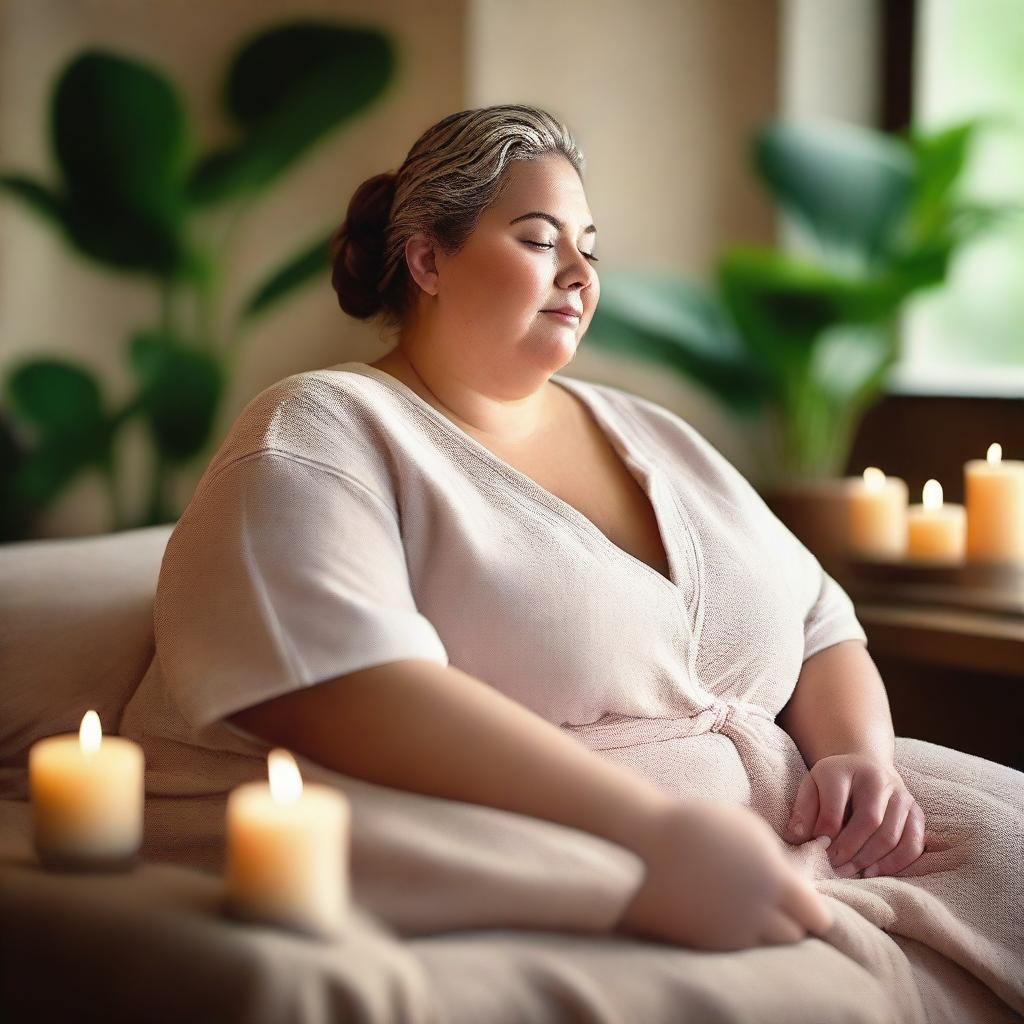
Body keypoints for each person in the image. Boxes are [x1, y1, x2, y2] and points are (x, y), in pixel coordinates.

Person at [119, 105, 1023, 1018]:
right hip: (572, 845)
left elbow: (820, 617)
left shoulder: (647, 431)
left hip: (803, 825)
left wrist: (860, 756)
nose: (580, 273)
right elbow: (338, 682)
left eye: (588, 245)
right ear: (428, 259)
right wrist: (657, 833)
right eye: (539, 238)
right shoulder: (323, 427)